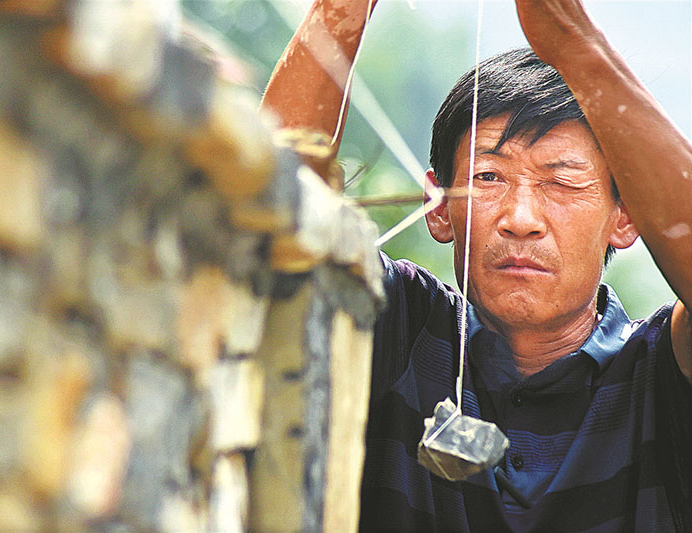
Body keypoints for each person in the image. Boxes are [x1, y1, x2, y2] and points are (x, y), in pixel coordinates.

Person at [262, 0, 692, 531]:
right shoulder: (402, 327)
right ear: (438, 208)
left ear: (627, 219)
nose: (521, 218)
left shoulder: (661, 372)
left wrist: (573, 40)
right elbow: (270, 214)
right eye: (488, 177)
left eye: (561, 182)